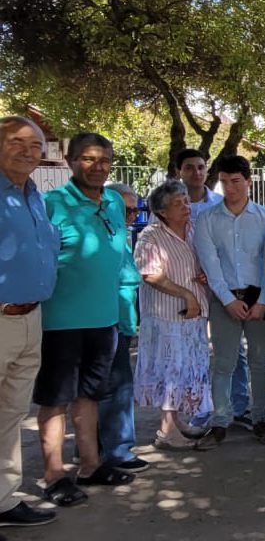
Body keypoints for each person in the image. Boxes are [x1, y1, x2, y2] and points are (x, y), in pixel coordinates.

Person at [35, 132, 135, 508]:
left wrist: (125, 307)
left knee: (90, 395)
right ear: (70, 160)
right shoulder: (51, 203)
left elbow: (120, 254)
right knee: (55, 400)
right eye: (89, 159)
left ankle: (91, 464)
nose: (98, 167)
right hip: (60, 321)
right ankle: (54, 474)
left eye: (105, 160)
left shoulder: (112, 200)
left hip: (104, 318)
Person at [193, 155, 265, 450]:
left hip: (260, 297)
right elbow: (210, 262)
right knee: (223, 362)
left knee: (260, 361)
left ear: (248, 181)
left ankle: (260, 419)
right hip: (224, 298)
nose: (230, 188)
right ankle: (220, 422)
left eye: (236, 181)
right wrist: (228, 300)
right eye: (224, 182)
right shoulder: (207, 218)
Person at [0, 115, 58, 527]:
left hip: (30, 317)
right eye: (18, 142)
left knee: (10, 414)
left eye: (35, 145)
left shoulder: (35, 194)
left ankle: (3, 500)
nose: (28, 151)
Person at [132, 180, 213, 451]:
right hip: (167, 315)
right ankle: (166, 431)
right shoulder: (151, 235)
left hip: (193, 315)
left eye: (185, 201)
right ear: (162, 211)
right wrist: (185, 294)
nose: (185, 206)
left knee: (188, 369)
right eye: (177, 204)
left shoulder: (192, 230)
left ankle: (176, 423)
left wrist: (202, 277)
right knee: (171, 370)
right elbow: (149, 273)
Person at [175, 148, 250, 432]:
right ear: (179, 171)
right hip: (185, 289)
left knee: (234, 351)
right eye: (189, 167)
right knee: (194, 351)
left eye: (201, 167)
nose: (196, 173)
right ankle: (200, 409)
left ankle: (239, 405)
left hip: (220, 288)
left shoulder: (220, 203)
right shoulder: (172, 203)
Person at [95, 182, 150, 472]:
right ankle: (117, 451)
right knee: (116, 387)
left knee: (111, 385)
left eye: (135, 210)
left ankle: (97, 448)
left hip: (121, 321)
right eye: (126, 210)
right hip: (106, 320)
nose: (132, 216)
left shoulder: (120, 235)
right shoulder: (106, 236)